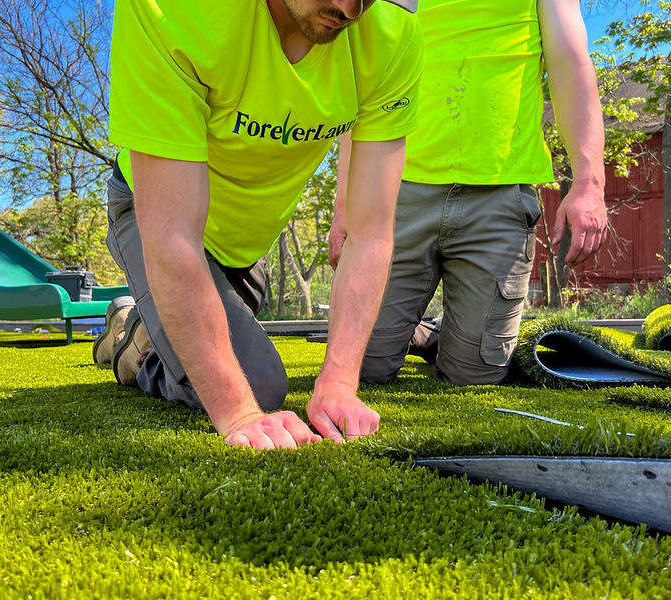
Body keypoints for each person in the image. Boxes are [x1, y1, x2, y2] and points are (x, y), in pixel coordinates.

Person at [94, 0, 424, 450]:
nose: (350, 8)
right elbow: (171, 235)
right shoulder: (170, 10)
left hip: (246, 247)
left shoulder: (394, 32)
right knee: (258, 384)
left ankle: (157, 324)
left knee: (225, 344)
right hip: (152, 215)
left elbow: (371, 232)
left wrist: (340, 383)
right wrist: (241, 413)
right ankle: (133, 340)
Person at [330, 0, 607, 385]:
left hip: (498, 195)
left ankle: (446, 335)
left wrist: (589, 183)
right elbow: (366, 87)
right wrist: (345, 206)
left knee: (475, 379)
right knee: (361, 369)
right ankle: (424, 333)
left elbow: (571, 63)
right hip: (393, 193)